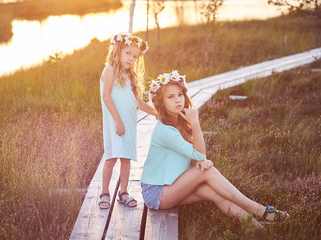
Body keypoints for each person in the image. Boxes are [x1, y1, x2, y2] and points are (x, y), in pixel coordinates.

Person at [141, 70, 289, 228]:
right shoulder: (165, 130)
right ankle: (259, 210)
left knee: (215, 193)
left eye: (180, 94)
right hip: (156, 192)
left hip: (171, 185)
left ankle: (259, 228)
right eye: (170, 97)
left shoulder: (178, 121)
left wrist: (201, 161)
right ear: (161, 102)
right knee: (208, 171)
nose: (178, 100)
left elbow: (194, 158)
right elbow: (199, 154)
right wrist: (196, 124)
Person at [99, 33, 156, 209]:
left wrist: (157, 113)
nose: (131, 59)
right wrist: (117, 120)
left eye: (135, 56)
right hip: (115, 123)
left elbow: (138, 102)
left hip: (129, 123)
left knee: (126, 158)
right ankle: (105, 192)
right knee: (111, 158)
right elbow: (106, 95)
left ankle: (123, 192)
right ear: (117, 51)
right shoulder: (109, 70)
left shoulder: (130, 76)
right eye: (127, 53)